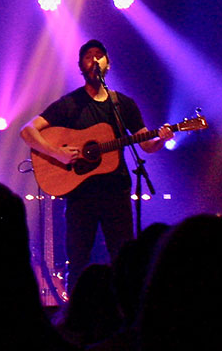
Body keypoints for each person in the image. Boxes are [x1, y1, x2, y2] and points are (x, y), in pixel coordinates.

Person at [20, 39, 171, 288]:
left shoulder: (122, 104)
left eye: (99, 55)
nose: (94, 60)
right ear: (81, 66)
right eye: (88, 56)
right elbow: (27, 131)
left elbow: (146, 144)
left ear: (108, 64)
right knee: (78, 260)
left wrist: (162, 139)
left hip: (116, 191)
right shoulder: (69, 104)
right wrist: (56, 153)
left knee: (124, 258)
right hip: (81, 195)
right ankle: (75, 308)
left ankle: (124, 305)